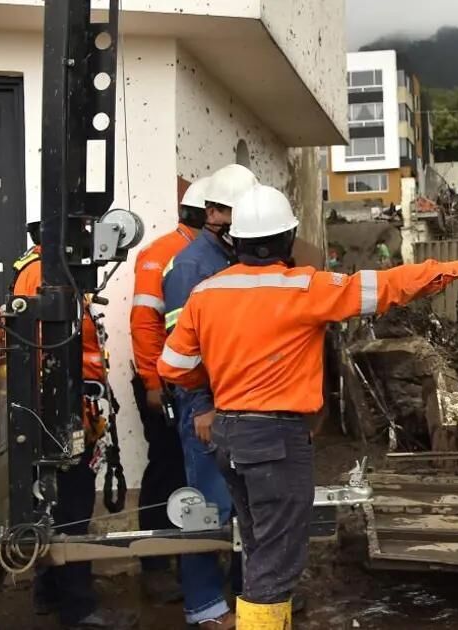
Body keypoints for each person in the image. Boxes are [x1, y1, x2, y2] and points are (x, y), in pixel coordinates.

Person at [160, 184, 458, 627]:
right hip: (275, 440)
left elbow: (173, 366)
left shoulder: (206, 293)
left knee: (259, 545)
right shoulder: (308, 287)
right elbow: (389, 286)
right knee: (277, 558)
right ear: (288, 239)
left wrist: (209, 389)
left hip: (229, 436)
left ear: (237, 239)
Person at [15, 225, 137, 629]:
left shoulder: (58, 273)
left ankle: (49, 592)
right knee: (71, 510)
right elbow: (39, 350)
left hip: (66, 408)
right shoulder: (42, 275)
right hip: (55, 415)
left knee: (55, 508)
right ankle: (79, 609)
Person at [162, 164, 257, 629]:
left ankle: (247, 596)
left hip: (239, 404)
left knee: (243, 505)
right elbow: (184, 350)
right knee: (207, 507)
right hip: (207, 407)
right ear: (214, 212)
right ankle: (204, 608)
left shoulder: (232, 259)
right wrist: (201, 406)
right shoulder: (192, 267)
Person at [129, 178, 209, 605]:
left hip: (191, 380)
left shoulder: (205, 253)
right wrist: (153, 384)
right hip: (163, 380)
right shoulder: (160, 255)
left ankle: (191, 555)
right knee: (165, 468)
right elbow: (145, 324)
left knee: (193, 470)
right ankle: (155, 565)